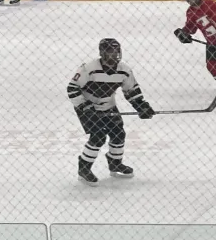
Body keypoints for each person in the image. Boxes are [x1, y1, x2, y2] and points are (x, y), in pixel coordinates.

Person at [67, 38, 156, 185]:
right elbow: (72, 88)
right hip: (87, 107)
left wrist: (141, 106)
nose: (114, 56)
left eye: (116, 52)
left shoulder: (124, 70)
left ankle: (115, 163)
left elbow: (131, 90)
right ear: (102, 53)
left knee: (118, 133)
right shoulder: (89, 68)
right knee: (98, 136)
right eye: (109, 52)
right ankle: (84, 168)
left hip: (108, 104)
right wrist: (85, 106)